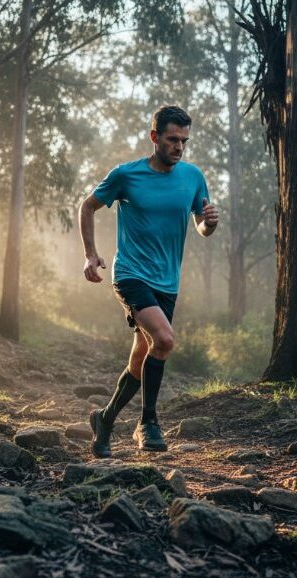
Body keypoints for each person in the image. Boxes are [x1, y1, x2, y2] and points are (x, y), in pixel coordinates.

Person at [78, 105, 219, 458]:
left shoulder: (192, 177)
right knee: (165, 339)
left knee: (143, 355)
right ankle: (148, 424)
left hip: (167, 282)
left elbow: (202, 226)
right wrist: (90, 254)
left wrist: (210, 223)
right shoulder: (126, 175)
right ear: (155, 137)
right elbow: (87, 206)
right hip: (130, 274)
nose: (180, 147)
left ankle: (105, 419)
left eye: (184, 140)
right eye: (173, 139)